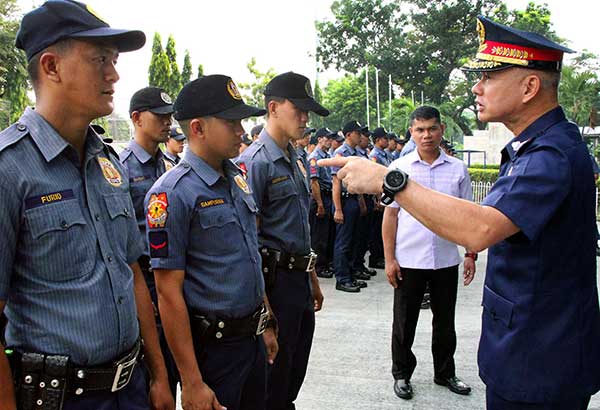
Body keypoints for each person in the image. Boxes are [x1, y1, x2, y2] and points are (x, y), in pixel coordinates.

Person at [319, 15, 600, 410]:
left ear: (529, 86)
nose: (476, 87)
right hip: (528, 346)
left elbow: (481, 228)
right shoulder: (535, 147)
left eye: (489, 75)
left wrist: (390, 180)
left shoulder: (549, 155)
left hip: (541, 357)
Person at [0, 2, 174, 409]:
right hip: (60, 397)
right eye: (99, 60)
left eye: (113, 61)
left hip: (131, 388)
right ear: (51, 66)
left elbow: (131, 273)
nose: (114, 74)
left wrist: (160, 375)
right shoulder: (10, 169)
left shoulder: (107, 162)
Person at [147, 75, 275, 410]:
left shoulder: (236, 178)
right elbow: (167, 292)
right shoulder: (172, 193)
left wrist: (266, 322)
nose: (241, 132)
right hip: (213, 350)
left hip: (251, 340)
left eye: (242, 122)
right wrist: (190, 381)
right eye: (231, 123)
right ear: (198, 128)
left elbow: (247, 255)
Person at [236, 71, 325, 410]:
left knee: (292, 372)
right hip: (275, 284)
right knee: (273, 378)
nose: (305, 118)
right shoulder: (255, 163)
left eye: (307, 111)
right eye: (298, 109)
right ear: (273, 108)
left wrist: (313, 278)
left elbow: (300, 226)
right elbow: (248, 241)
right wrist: (264, 311)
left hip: (299, 280)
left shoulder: (297, 158)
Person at [384, 106, 474, 400]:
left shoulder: (457, 169)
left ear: (442, 130)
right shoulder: (400, 168)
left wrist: (471, 253)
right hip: (409, 259)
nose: (426, 135)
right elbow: (391, 216)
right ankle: (402, 374)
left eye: (432, 129)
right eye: (420, 129)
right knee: (404, 322)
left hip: (446, 258)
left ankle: (445, 372)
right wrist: (389, 259)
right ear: (411, 132)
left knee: (445, 322)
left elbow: (469, 215)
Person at [120, 87, 180, 396]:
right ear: (136, 118)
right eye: (159, 116)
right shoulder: (120, 167)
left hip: (173, 278)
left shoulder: (169, 165)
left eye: (169, 116)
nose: (167, 122)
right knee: (156, 381)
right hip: (143, 278)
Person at [331, 120, 368, 292]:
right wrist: (338, 208)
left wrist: (360, 200)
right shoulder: (340, 154)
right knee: (343, 242)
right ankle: (342, 278)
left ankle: (351, 274)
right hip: (344, 202)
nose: (360, 136)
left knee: (353, 240)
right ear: (348, 135)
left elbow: (357, 180)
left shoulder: (354, 153)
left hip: (353, 199)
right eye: (357, 133)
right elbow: (336, 183)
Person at [308, 128, 337, 279]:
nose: (330, 140)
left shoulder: (328, 155)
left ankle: (326, 263)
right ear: (319, 139)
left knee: (328, 234)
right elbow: (314, 182)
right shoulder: (315, 158)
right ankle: (319, 267)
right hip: (321, 197)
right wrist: (319, 203)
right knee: (319, 236)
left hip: (328, 196)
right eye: (327, 138)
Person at [350, 130, 377, 279]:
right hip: (352, 198)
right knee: (349, 239)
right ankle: (348, 272)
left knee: (362, 237)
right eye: (360, 135)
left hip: (365, 197)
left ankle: (358, 265)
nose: (362, 137)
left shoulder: (361, 153)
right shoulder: (344, 153)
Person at [367, 127, 390, 270]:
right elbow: (375, 179)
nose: (387, 141)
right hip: (379, 196)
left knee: (380, 228)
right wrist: (379, 199)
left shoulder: (384, 154)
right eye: (385, 138)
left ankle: (380, 256)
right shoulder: (375, 155)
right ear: (377, 140)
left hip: (384, 196)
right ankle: (375, 258)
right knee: (376, 231)